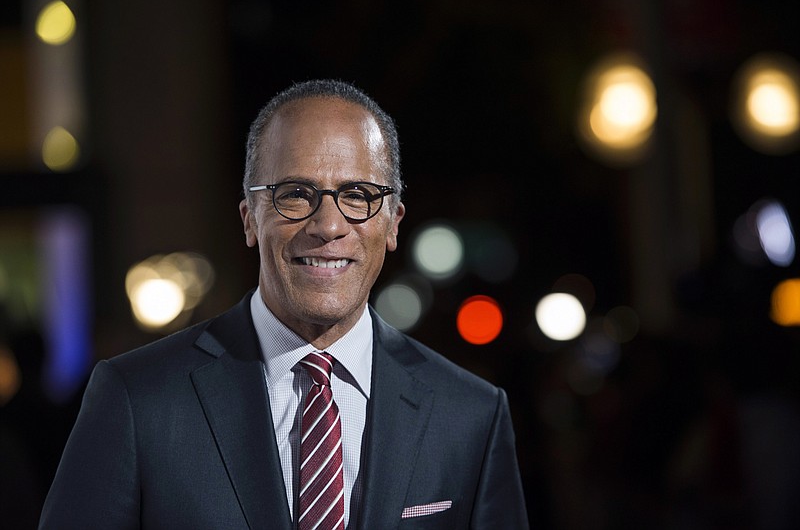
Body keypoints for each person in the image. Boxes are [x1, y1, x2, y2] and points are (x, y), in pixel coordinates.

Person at [39, 79, 529, 529]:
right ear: (250, 219)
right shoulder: (136, 399)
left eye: (358, 195)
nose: (328, 225)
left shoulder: (472, 415)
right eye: (296, 195)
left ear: (394, 222)